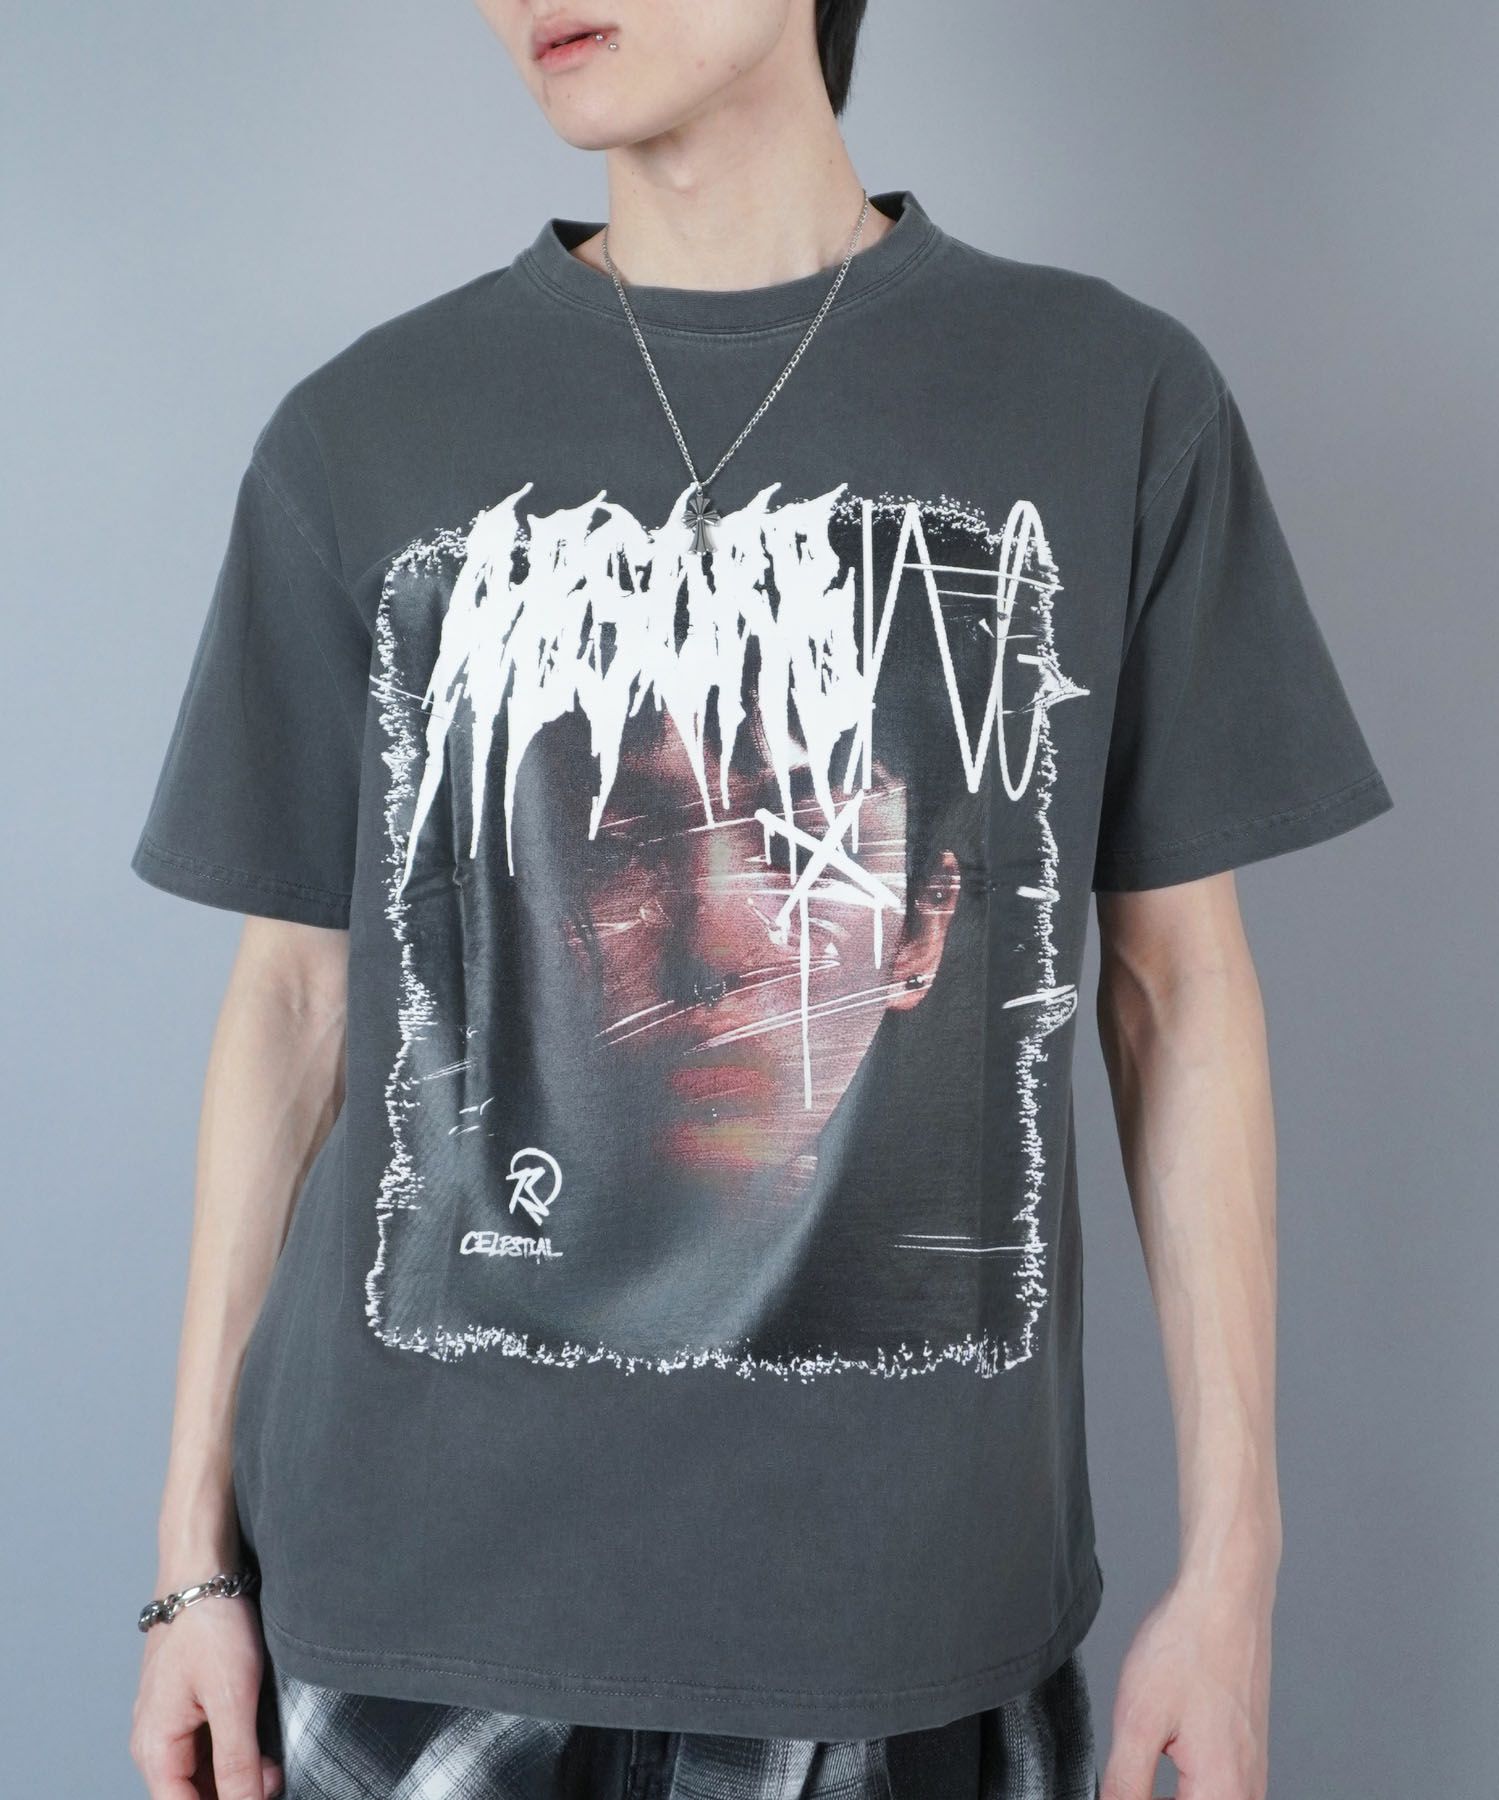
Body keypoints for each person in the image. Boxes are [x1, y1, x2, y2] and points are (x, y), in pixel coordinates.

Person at [124, 3, 1395, 1798]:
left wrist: (1234, 1574)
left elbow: (1176, 995)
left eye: (793, 846)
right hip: (410, 1617)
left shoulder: (1107, 399)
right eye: (628, 844)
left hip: (901, 1630)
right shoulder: (365, 433)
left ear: (925, 917)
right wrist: (190, 1562)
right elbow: (296, 1002)